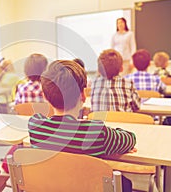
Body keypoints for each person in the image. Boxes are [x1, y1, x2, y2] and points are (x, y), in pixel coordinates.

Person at [28, 60, 135, 191]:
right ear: (83, 95)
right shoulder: (97, 132)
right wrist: (114, 133)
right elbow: (130, 139)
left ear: (45, 96)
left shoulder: (35, 125)